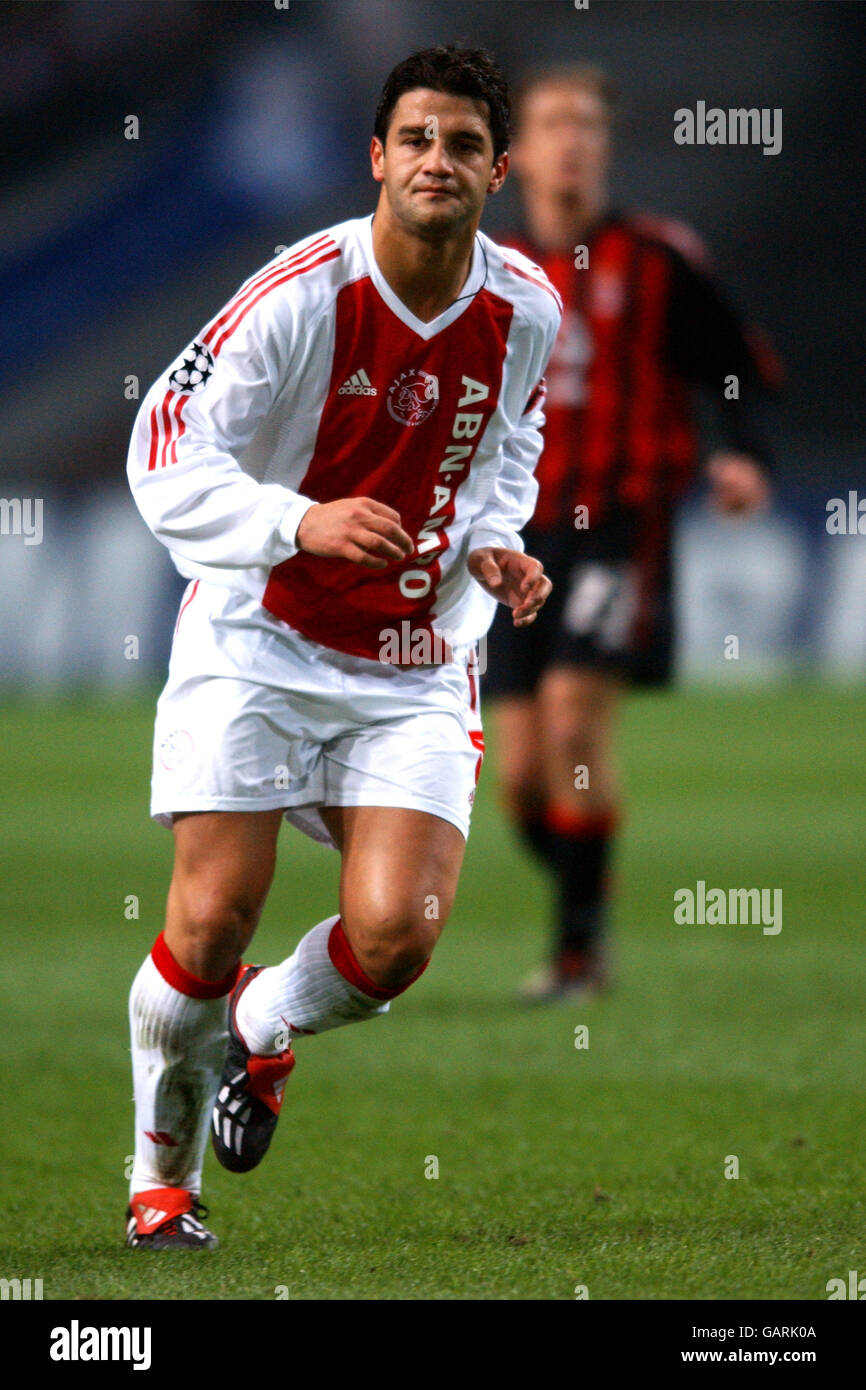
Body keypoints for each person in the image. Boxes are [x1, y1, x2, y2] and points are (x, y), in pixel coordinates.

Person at [124, 44, 561, 1249]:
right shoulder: (300, 292)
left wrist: (493, 542)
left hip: (414, 663)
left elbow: (502, 458)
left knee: (395, 939)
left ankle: (261, 1030)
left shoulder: (527, 306)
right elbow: (161, 443)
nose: (437, 160)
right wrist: (295, 520)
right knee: (211, 918)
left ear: (497, 170)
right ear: (377, 158)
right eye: (415, 139)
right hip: (258, 641)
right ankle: (160, 1184)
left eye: (463, 143)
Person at [484, 64, 780, 1003]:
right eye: (552, 123)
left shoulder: (657, 260)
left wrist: (743, 453)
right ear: (517, 152)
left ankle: (578, 957)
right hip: (515, 541)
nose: (572, 139)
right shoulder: (487, 269)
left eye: (587, 124)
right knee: (519, 781)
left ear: (604, 145)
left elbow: (740, 366)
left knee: (575, 722)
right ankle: (588, 893)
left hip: (619, 523)